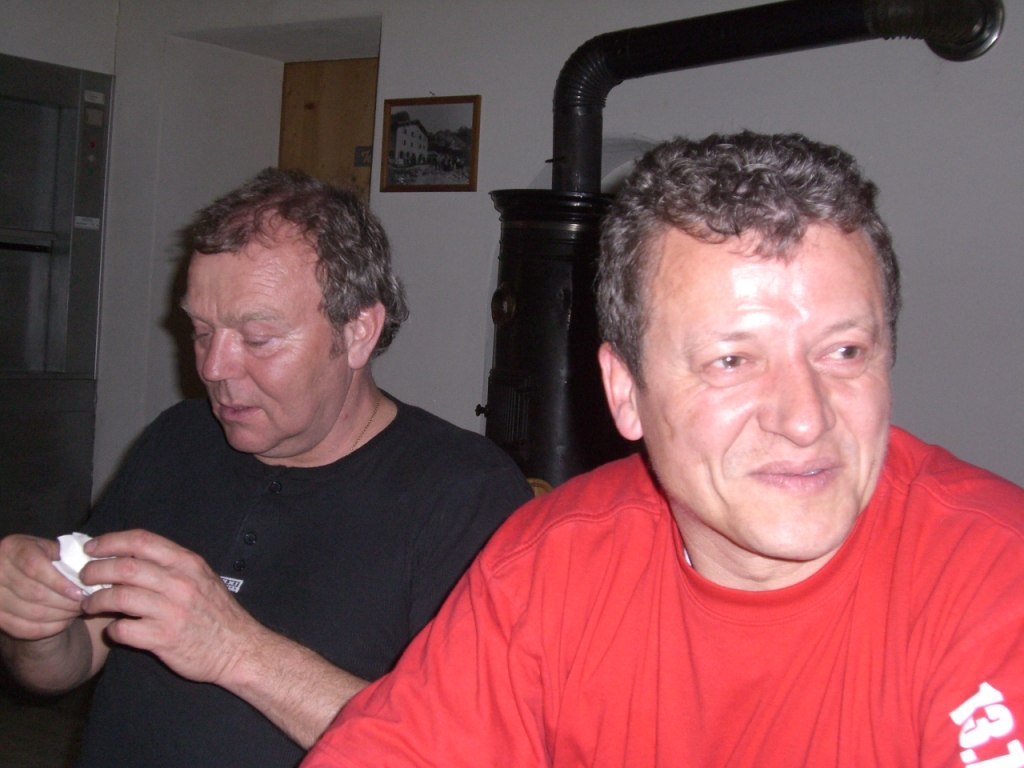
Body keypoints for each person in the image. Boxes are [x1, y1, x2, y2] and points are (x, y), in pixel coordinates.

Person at [302, 132, 1024, 768]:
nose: (806, 420)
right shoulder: (554, 563)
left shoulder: (993, 577)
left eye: (845, 351)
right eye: (732, 361)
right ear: (625, 391)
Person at [0, 169, 533, 768]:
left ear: (358, 331)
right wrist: (36, 624)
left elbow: (467, 751)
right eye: (201, 331)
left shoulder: (467, 496)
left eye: (257, 338)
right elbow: (72, 661)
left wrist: (236, 650)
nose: (214, 368)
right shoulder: (176, 440)